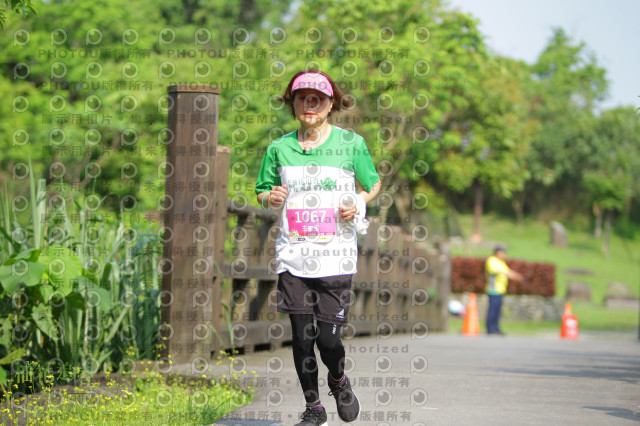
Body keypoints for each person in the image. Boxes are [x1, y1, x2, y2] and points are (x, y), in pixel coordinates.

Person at [255, 70, 381, 425]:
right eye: (301, 98)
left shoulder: (351, 144)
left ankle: (339, 380)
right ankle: (313, 407)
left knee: (328, 340)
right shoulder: (279, 148)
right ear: (292, 102)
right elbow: (262, 190)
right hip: (293, 255)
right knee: (301, 338)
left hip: (335, 256)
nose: (309, 105)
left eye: (317, 99)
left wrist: (357, 202)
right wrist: (271, 196)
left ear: (330, 104)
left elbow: (372, 183)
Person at [485, 245, 523, 335]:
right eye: (503, 252)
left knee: (497, 311)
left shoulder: (500, 262)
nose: (504, 254)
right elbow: (499, 271)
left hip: (500, 290)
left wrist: (515, 275)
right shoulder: (491, 260)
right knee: (492, 310)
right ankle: (491, 328)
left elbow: (507, 271)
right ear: (498, 252)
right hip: (493, 289)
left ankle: (496, 328)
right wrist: (511, 275)